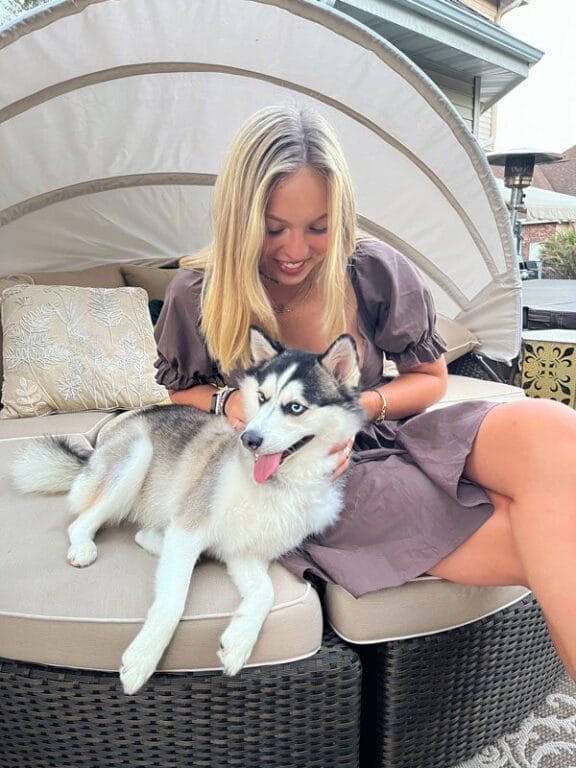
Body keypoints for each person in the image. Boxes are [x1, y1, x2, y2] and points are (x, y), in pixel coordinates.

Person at [155, 105, 576, 680]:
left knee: (552, 426)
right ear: (238, 218)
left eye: (319, 227)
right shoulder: (196, 294)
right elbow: (181, 395)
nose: (295, 250)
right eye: (273, 228)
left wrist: (358, 411)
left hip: (384, 425)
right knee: (540, 529)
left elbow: (430, 381)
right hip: (307, 478)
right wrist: (228, 405)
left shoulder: (373, 270)